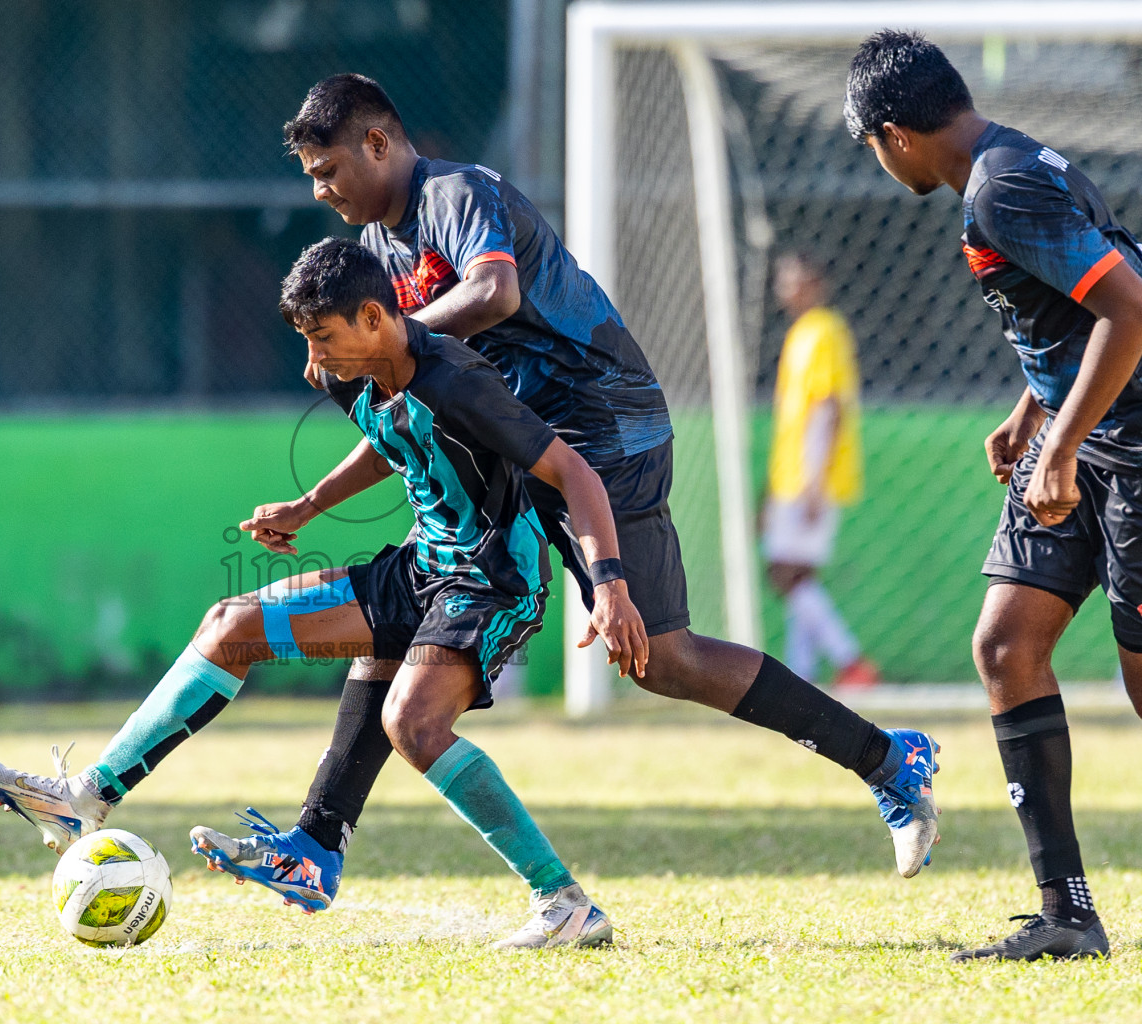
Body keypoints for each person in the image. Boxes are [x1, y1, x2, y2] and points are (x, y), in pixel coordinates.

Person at [190, 74, 941, 918]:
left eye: (327, 170)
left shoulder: (455, 193)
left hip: (600, 427)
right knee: (419, 597)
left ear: (377, 143)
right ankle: (318, 844)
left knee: (664, 658)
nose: (320, 191)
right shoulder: (384, 251)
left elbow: (496, 294)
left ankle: (888, 759)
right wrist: (316, 497)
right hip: (526, 439)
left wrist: (395, 349)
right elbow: (417, 403)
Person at [0, 236, 644, 948]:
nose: (311, 364)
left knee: (412, 723)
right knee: (231, 624)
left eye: (323, 340)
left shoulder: (457, 379)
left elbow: (574, 474)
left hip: (493, 581)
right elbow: (393, 440)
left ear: (375, 319)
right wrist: (307, 506)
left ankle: (565, 904)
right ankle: (90, 800)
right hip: (420, 567)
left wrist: (609, 587)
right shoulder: (350, 374)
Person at [845, 29, 1142, 962]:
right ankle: (1068, 914)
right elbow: (1076, 303)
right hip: (1078, 439)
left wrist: (1065, 443)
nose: (880, 164)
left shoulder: (1001, 186)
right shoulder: (1010, 165)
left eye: (871, 150)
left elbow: (1130, 310)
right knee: (1006, 646)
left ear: (893, 134)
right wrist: (1034, 414)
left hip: (1126, 450)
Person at [764, 252, 878, 689]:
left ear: (816, 283)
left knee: (783, 571)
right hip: (791, 474)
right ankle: (803, 675)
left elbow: (829, 406)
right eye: (783, 278)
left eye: (795, 277)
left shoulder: (826, 330)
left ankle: (851, 661)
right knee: (800, 577)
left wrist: (814, 480)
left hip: (811, 477)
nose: (786, 286)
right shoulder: (800, 333)